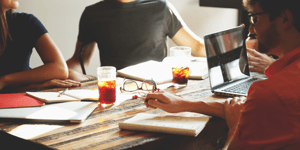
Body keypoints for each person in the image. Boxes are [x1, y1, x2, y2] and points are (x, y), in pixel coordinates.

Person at [145, 0, 300, 149]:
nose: (251, 29)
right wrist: (186, 104)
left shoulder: (270, 94)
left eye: (255, 18)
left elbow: (261, 106)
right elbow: (255, 109)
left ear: (285, 18)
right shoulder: (276, 94)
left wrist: (235, 127)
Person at [67, 0, 206, 81]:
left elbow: (197, 47)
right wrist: (63, 72)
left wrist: (226, 49)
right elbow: (79, 61)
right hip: (117, 91)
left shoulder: (161, 7)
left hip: (156, 89)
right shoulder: (92, 14)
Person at [0, 0, 80, 93]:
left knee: (73, 75)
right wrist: (36, 86)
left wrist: (5, 80)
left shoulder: (26, 21)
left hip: (24, 98)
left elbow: (60, 69)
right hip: (11, 100)